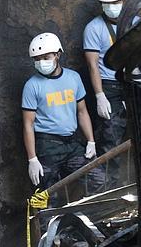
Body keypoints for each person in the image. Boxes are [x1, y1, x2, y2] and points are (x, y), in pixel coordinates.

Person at [22, 33, 105, 202]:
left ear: (58, 54)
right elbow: (28, 124)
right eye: (37, 59)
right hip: (47, 146)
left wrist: (91, 141)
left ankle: (81, 221)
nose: (42, 62)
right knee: (45, 197)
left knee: (98, 180)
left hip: (72, 144)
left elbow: (81, 111)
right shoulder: (32, 85)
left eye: (46, 57)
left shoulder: (73, 78)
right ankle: (47, 228)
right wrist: (33, 158)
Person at [84, 0, 130, 186]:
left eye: (116, 2)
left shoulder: (134, 22)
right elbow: (93, 65)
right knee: (110, 139)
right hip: (109, 85)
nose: (112, 6)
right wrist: (99, 94)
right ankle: (109, 190)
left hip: (134, 82)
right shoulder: (94, 28)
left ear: (125, 1)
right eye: (107, 3)